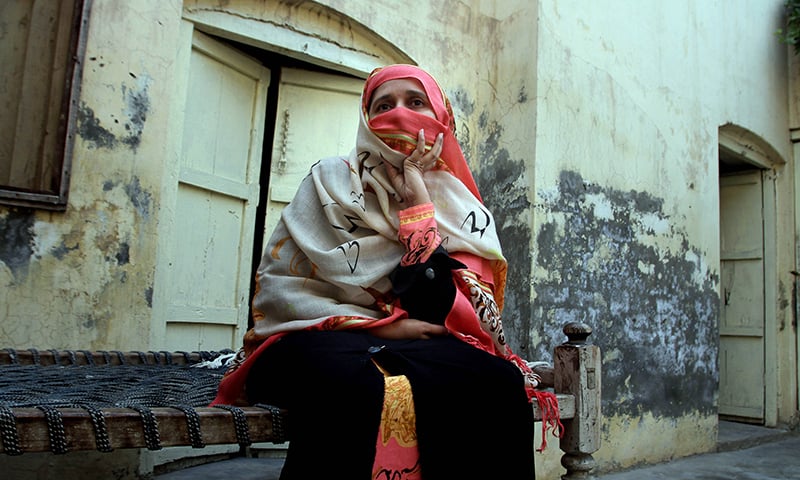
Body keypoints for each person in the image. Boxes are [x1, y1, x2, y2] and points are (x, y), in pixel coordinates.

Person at [211, 64, 557, 479]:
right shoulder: (329, 182)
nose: (398, 115)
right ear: (365, 119)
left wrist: (418, 204)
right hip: (317, 336)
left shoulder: (460, 209)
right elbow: (284, 292)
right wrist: (379, 329)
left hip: (420, 340)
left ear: (441, 118)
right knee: (353, 385)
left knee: (498, 384)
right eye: (383, 105)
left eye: (415, 103)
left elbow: (439, 311)